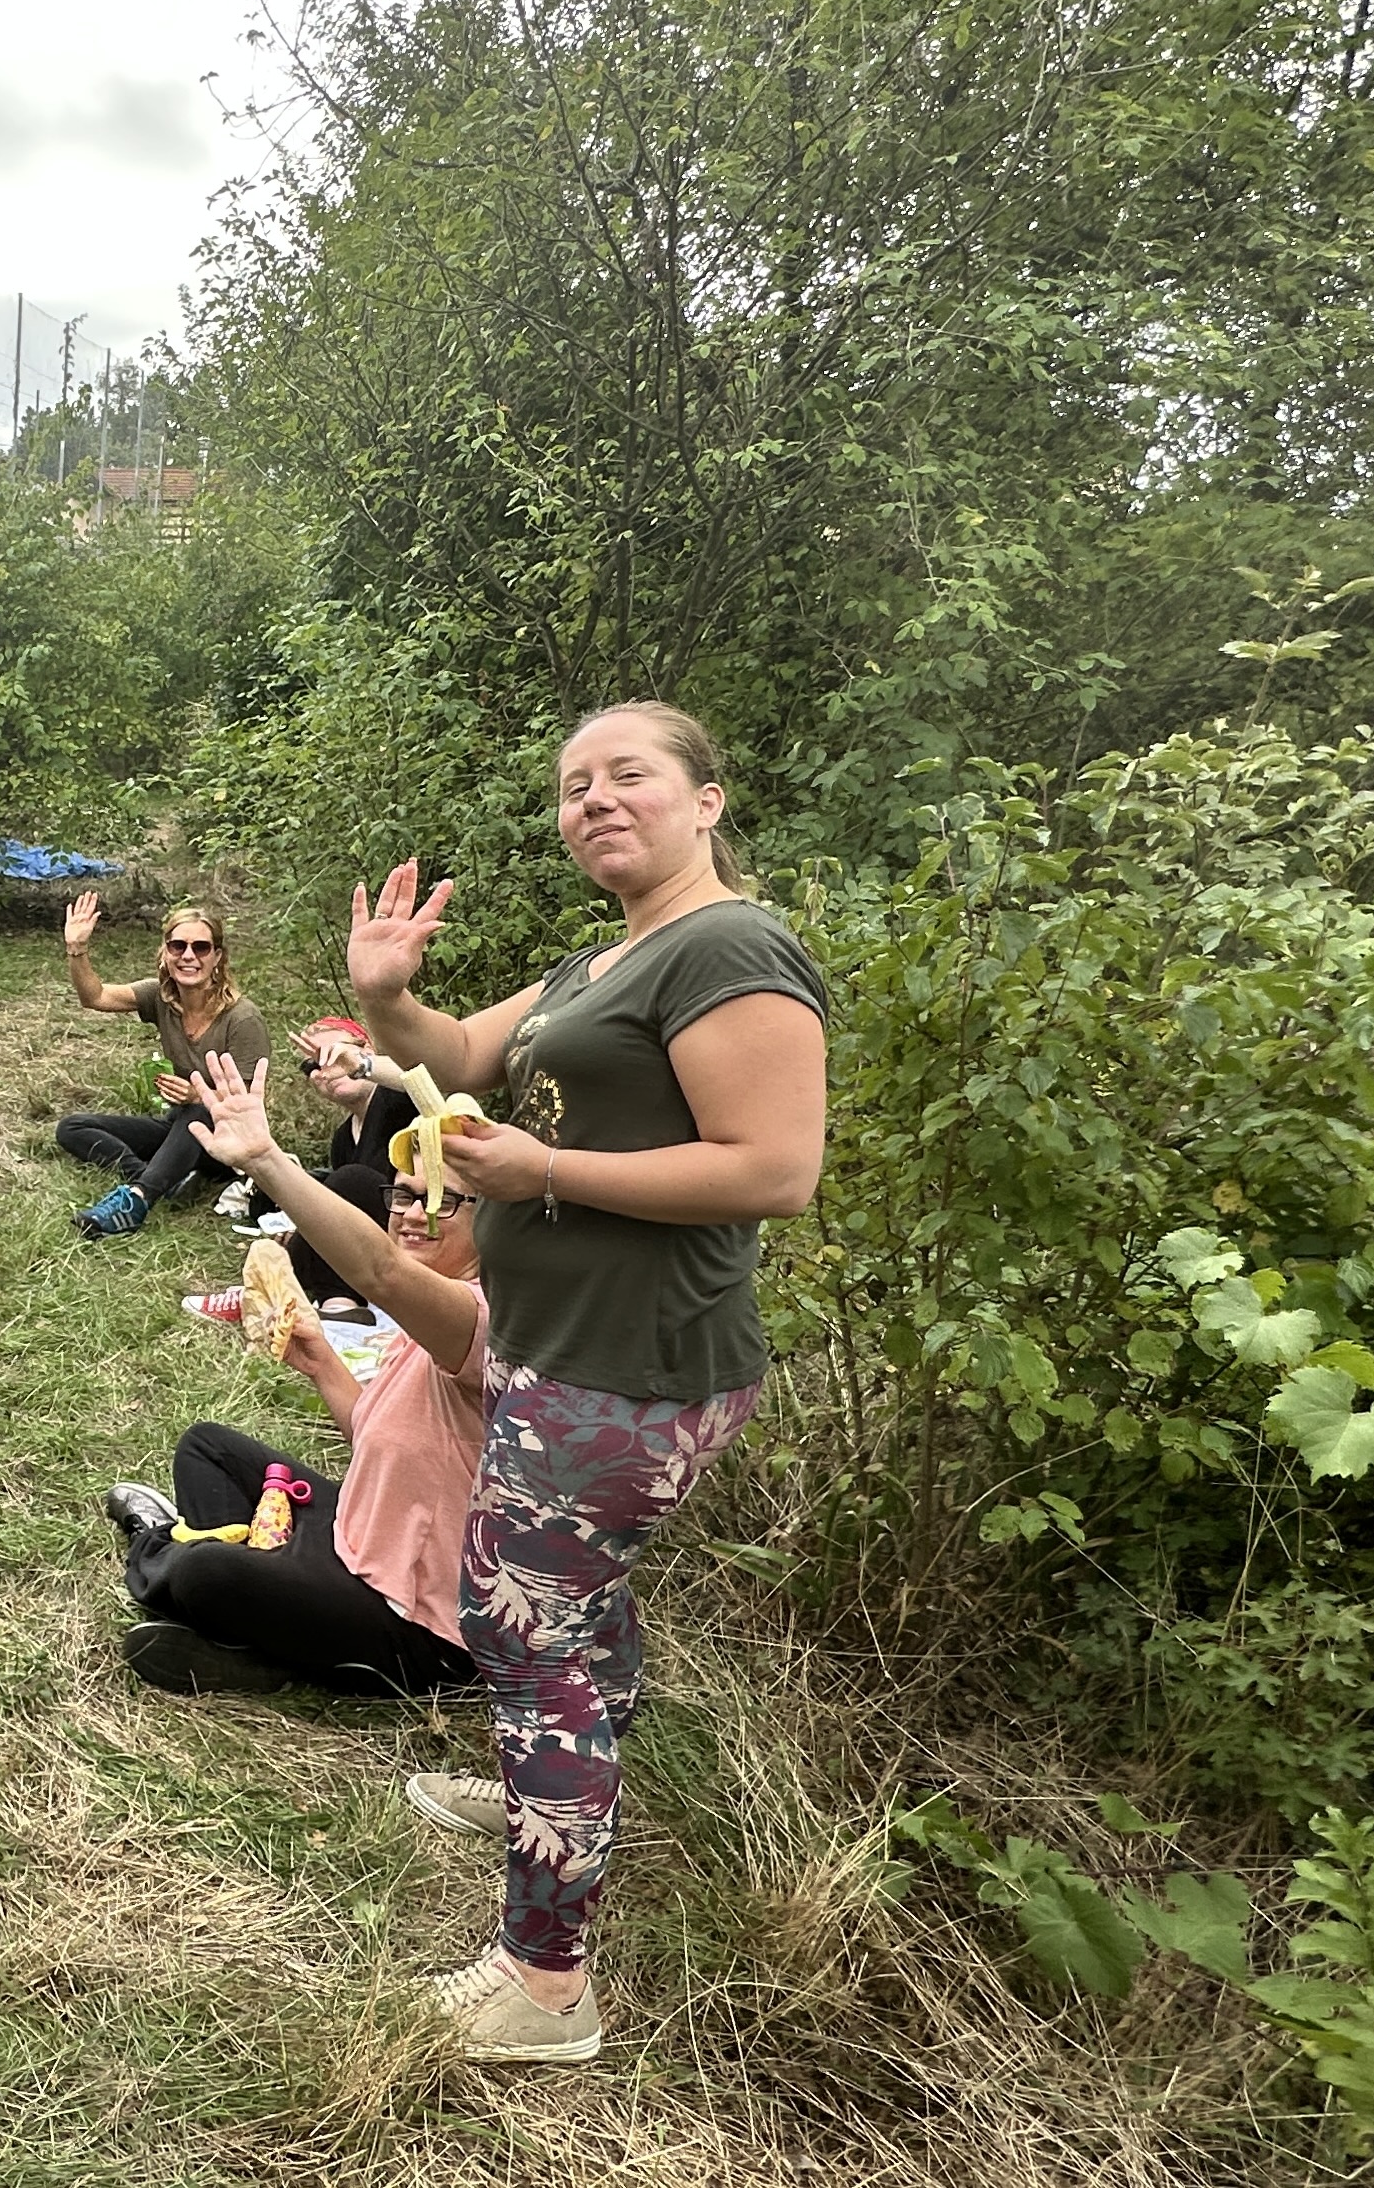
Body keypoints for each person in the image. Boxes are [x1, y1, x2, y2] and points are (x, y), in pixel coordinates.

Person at [339, 700, 831, 2065]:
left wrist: (543, 1169)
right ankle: (546, 1794)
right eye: (574, 785)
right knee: (568, 1612)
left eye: (630, 775)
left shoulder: (729, 945)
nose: (596, 800)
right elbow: (460, 1060)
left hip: (633, 1367)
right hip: (566, 1348)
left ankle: (545, 1987)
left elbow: (775, 1167)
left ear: (707, 800)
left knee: (527, 1636)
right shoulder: (604, 956)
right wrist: (386, 997)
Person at [99, 1053, 487, 1703]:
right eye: (404, 1194)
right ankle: (262, 1626)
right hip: (369, 1533)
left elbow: (381, 1270)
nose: (410, 1213)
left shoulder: (483, 1316)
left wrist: (265, 1159)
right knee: (206, 1447)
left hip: (420, 1623)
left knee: (205, 1571)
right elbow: (382, 1441)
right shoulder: (435, 1310)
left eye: (441, 1201)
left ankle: (166, 1548)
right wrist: (321, 1361)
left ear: (496, 1219)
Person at [54, 897, 271, 1237]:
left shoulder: (242, 1018)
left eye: (201, 947)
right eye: (178, 946)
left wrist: (197, 1095)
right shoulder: (162, 997)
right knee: (72, 1127)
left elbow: (248, 1103)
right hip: (180, 1125)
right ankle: (158, 1175)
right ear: (166, 952)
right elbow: (95, 997)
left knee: (198, 1112)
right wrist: (77, 949)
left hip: (230, 1142)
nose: (188, 956)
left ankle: (138, 1199)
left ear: (217, 957)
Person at [185, 1019, 408, 1319]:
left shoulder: (397, 1098)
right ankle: (328, 1304)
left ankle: (275, 1294)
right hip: (381, 1247)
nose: (324, 1069)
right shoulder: (343, 1139)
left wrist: (363, 1065)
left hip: (426, 1228)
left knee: (350, 1182)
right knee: (328, 1201)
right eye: (311, 1065)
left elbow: (428, 1080)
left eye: (333, 1054)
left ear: (367, 1049)